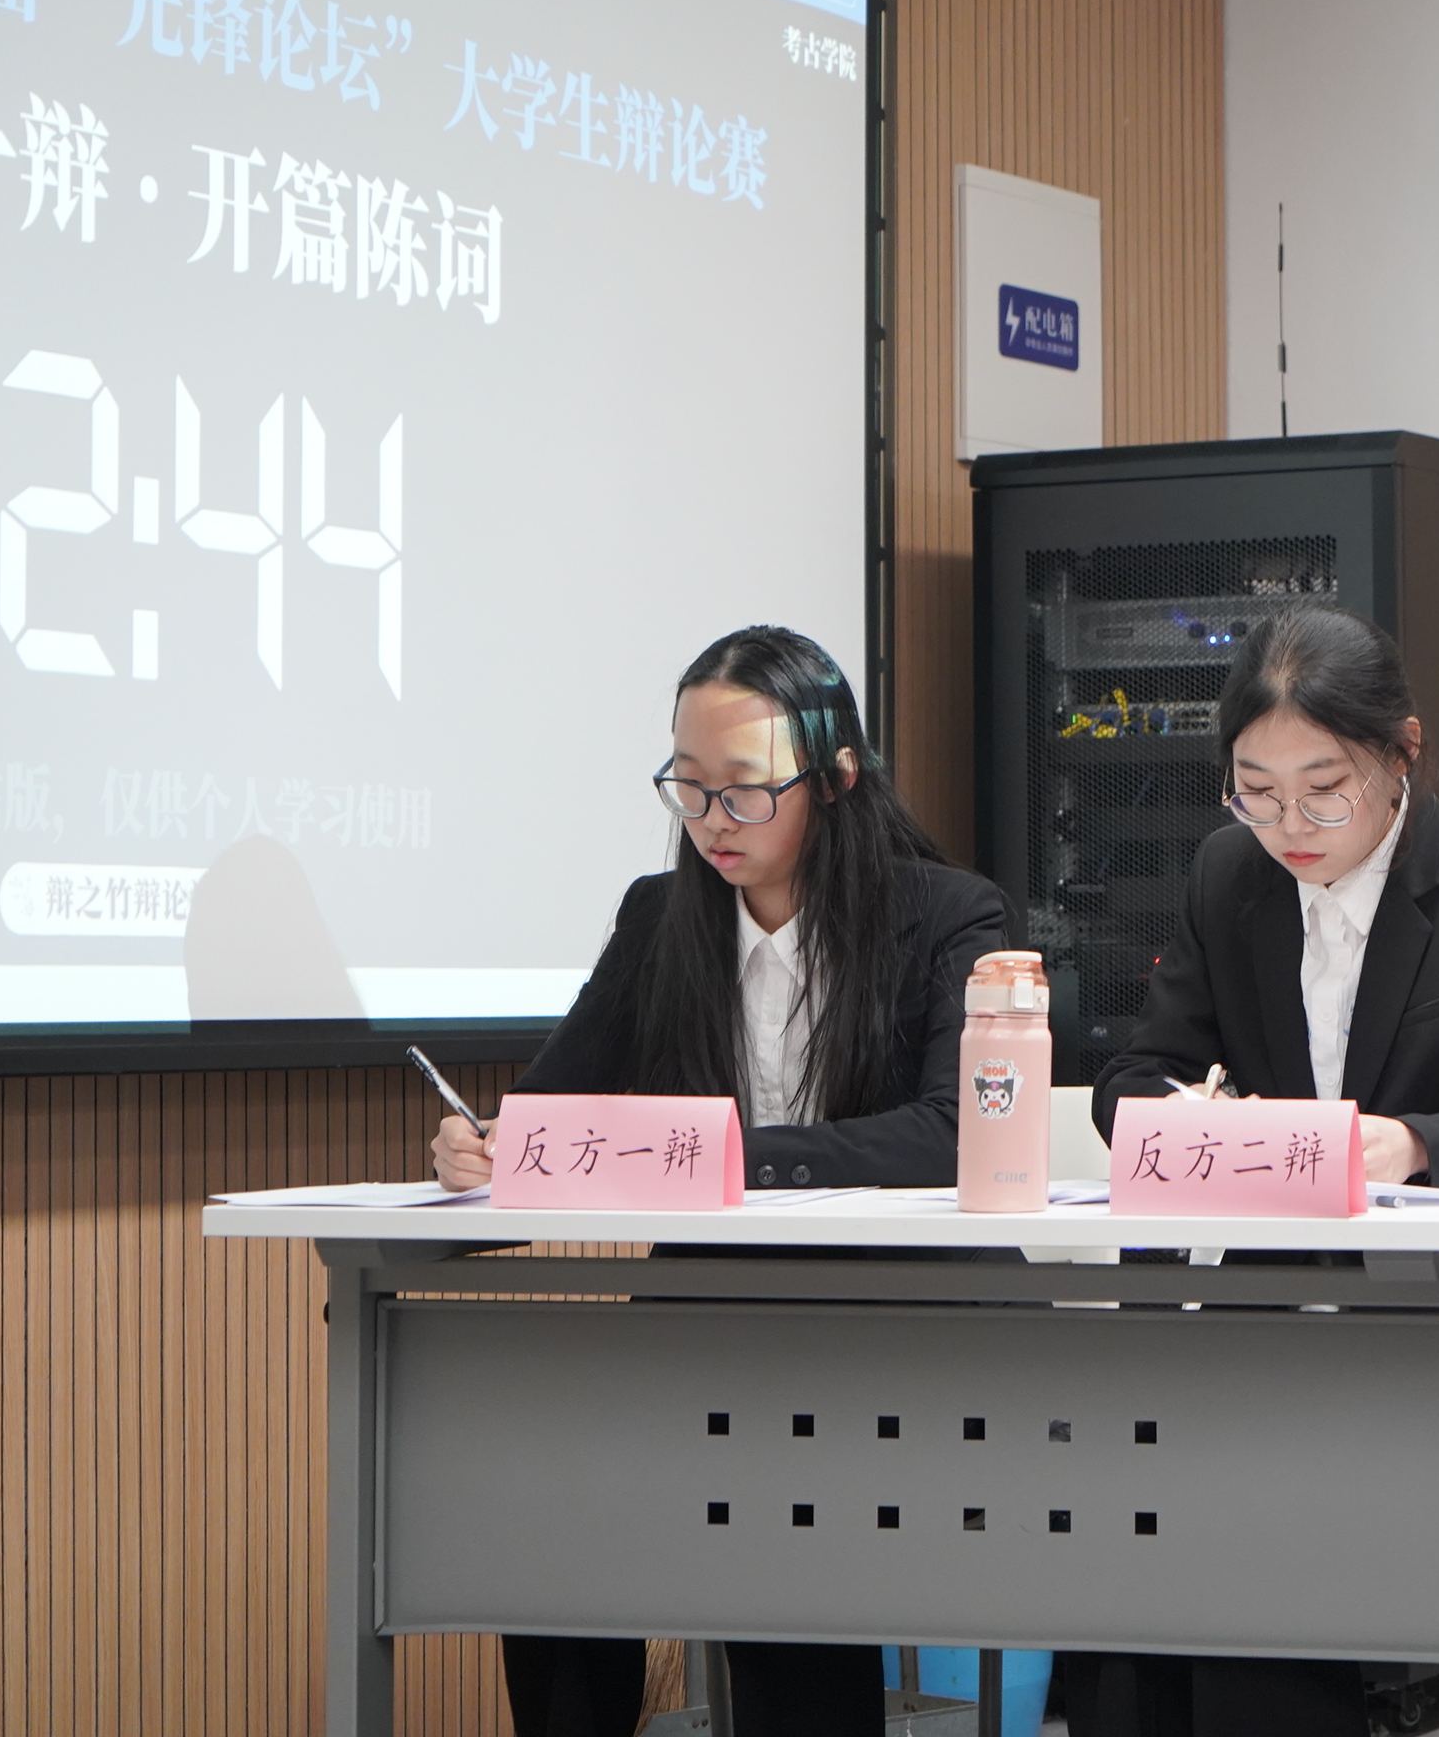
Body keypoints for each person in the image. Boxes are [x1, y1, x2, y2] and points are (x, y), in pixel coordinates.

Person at [430, 624, 1012, 1737]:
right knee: (545, 1513)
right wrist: (486, 1149)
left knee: (784, 1537)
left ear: (835, 777)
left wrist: (725, 1156)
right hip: (703, 1325)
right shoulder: (660, 919)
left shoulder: (950, 914)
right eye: (688, 787)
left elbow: (953, 1136)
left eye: (744, 789)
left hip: (896, 1331)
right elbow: (552, 1115)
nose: (711, 821)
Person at [1075, 604, 1439, 1737]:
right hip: (1267, 1310)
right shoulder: (1228, 874)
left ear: (1401, 752)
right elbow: (1135, 1078)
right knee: (1136, 1521)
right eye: (1255, 791)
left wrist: (1412, 1142)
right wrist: (1193, 1120)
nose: (1289, 825)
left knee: (1255, 1512)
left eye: (1324, 789)